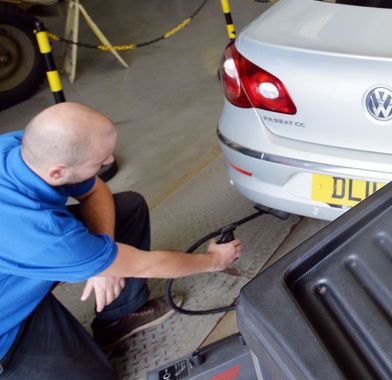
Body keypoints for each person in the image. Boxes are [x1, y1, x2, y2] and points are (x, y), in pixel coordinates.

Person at [0, 103, 243, 378]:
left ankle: (119, 317)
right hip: (8, 326)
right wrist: (214, 260)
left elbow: (95, 191)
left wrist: (104, 257)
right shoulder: (49, 234)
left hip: (21, 263)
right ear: (57, 172)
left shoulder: (20, 147)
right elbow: (146, 265)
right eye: (100, 161)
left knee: (127, 209)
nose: (109, 161)